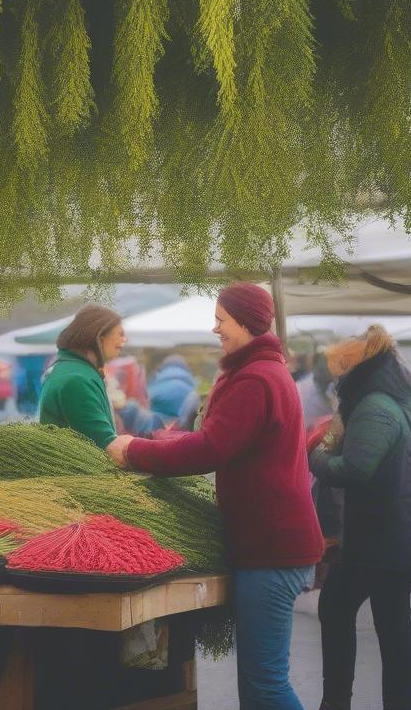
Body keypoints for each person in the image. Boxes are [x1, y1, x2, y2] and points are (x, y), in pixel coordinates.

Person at [108, 283, 322, 710]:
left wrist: (135, 450)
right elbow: (219, 440)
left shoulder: (256, 378)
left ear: (245, 322)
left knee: (266, 684)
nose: (215, 328)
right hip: (272, 545)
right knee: (257, 685)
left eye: (222, 319)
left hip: (274, 549)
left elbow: (210, 449)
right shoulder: (262, 372)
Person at [309, 326, 411, 710]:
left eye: (340, 371)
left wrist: (318, 459)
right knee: (389, 624)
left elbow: (356, 470)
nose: (336, 381)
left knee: (343, 607)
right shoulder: (382, 401)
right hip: (387, 534)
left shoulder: (375, 406)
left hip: (385, 538)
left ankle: (337, 701)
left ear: (355, 369)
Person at [38, 304, 127, 450]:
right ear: (100, 337)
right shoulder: (77, 380)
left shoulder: (71, 370)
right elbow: (105, 445)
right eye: (120, 334)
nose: (124, 340)